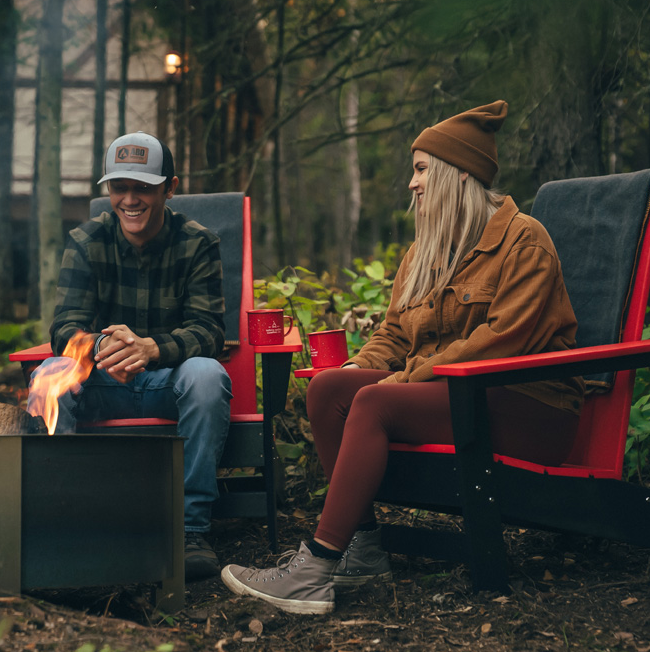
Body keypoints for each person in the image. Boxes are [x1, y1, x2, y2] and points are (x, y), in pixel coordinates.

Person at [220, 101, 585, 614]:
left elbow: (503, 340)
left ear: (457, 176)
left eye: (420, 171)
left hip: (530, 407)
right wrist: (358, 366)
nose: (411, 185)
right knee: (329, 389)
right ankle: (362, 549)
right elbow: (393, 333)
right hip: (453, 398)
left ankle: (315, 569)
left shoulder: (524, 241)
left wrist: (401, 382)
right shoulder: (424, 252)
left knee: (376, 403)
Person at [27, 131, 232, 580]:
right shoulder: (85, 241)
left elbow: (210, 330)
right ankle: (61, 521)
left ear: (169, 188)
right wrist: (101, 347)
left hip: (168, 384)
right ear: (108, 191)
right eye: (120, 187)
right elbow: (65, 328)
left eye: (143, 187)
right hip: (102, 383)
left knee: (206, 374)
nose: (130, 199)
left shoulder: (199, 244)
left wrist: (151, 348)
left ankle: (190, 531)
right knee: (49, 372)